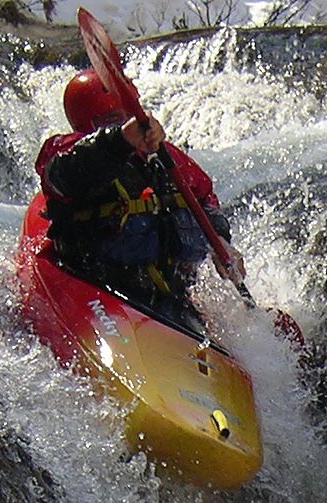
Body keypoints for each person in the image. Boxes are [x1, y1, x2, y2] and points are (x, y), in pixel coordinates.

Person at [34, 69, 233, 327]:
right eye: (115, 121)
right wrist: (120, 141)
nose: (127, 127)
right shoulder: (66, 149)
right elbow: (64, 175)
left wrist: (220, 241)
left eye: (126, 121)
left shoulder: (163, 155)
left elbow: (203, 197)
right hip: (98, 286)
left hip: (167, 295)